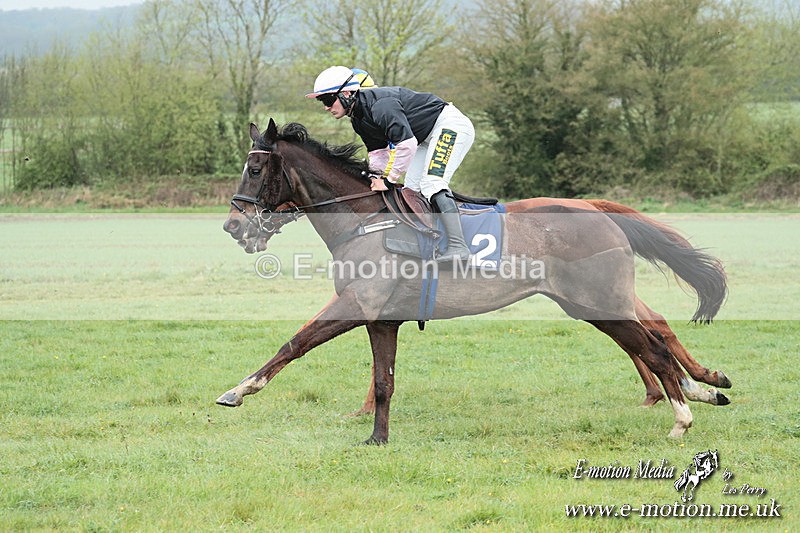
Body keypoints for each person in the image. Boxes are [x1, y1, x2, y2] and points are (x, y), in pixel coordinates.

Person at [306, 66, 474, 262]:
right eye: (322, 101)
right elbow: (378, 154)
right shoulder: (358, 119)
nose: (326, 107)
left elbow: (406, 144)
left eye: (328, 100)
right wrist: (375, 177)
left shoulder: (380, 106)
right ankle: (431, 242)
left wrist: (389, 180)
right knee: (412, 190)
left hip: (449, 126)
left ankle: (458, 246)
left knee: (432, 183)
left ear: (346, 93)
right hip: (424, 139)